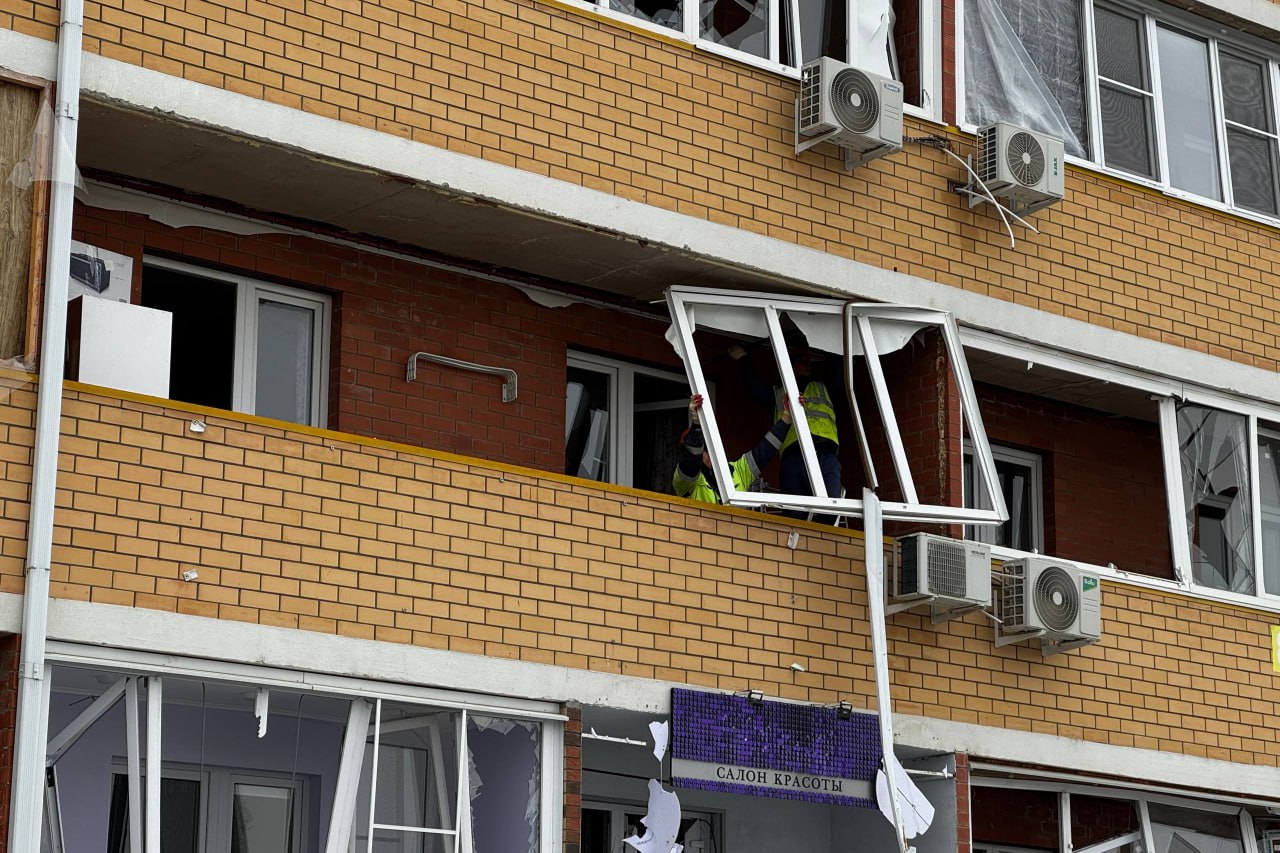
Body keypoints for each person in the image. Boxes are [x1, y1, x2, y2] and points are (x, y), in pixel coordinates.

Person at [729, 333, 842, 504]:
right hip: (793, 457)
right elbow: (754, 389)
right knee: (794, 513)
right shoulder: (778, 393)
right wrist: (743, 359)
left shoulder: (823, 387)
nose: (808, 364)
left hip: (825, 455)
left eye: (808, 360)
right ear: (791, 365)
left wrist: (834, 341)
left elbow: (839, 370)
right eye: (802, 360)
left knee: (832, 506)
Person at [673, 394, 791, 505]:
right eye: (700, 449)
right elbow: (691, 461)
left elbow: (765, 449)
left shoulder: (737, 471)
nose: (704, 452)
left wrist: (787, 417)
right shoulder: (685, 483)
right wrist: (697, 424)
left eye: (704, 447)